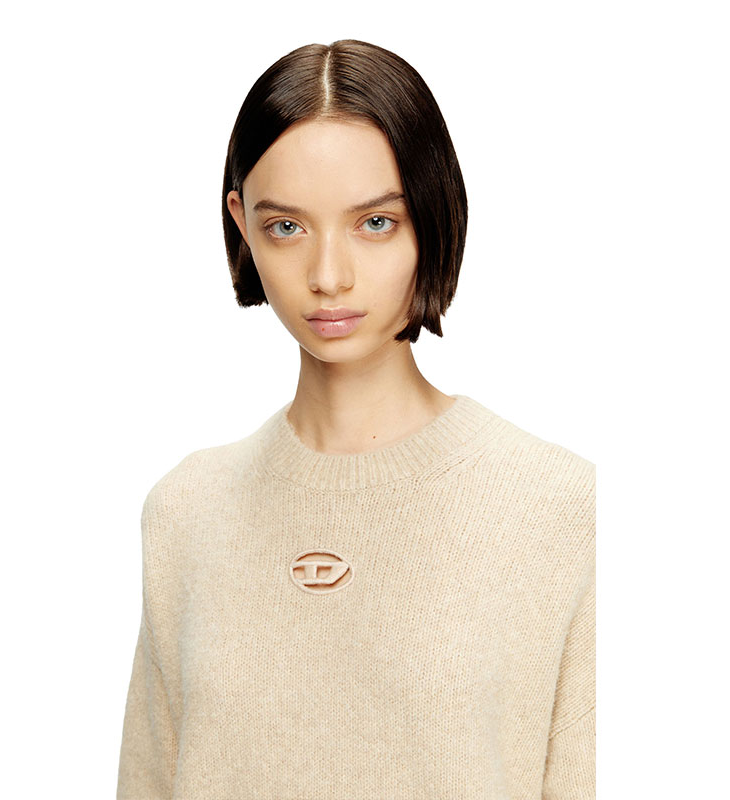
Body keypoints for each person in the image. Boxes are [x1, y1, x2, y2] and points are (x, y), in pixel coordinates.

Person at [117, 39, 595, 799]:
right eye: (287, 227)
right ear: (242, 224)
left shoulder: (558, 506)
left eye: (374, 223)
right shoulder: (185, 511)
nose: (328, 276)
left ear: (433, 216)